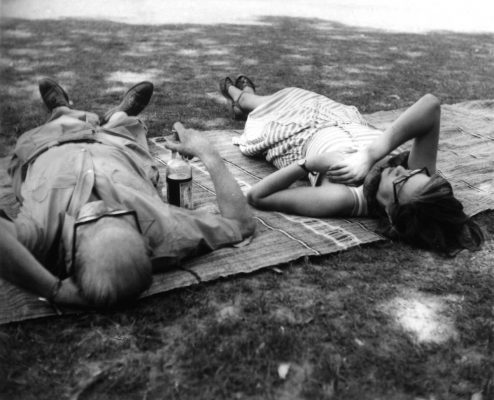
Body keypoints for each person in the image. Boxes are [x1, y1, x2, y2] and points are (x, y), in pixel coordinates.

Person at [0, 78, 255, 309]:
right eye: (121, 215)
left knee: (56, 124)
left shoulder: (38, 239)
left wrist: (53, 290)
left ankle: (61, 110)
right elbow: (240, 223)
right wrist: (207, 152)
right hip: (119, 146)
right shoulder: (167, 232)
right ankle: (120, 115)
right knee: (126, 127)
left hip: (47, 146)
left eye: (89, 222)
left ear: (70, 256)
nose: (102, 207)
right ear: (147, 243)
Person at [219, 75, 483, 255]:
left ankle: (235, 93)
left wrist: (310, 163)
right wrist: (369, 155)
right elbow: (431, 105)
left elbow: (257, 196)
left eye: (402, 179)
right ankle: (246, 99)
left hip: (293, 129)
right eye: (416, 171)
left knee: (258, 106)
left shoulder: (347, 197)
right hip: (337, 115)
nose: (404, 169)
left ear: (392, 213)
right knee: (284, 95)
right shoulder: (418, 183)